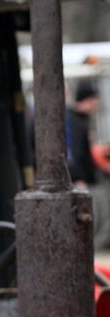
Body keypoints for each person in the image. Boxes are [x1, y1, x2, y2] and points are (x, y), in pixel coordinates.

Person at [66, 79, 110, 248]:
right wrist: (78, 179)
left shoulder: (81, 120)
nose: (97, 105)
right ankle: (93, 245)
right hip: (81, 181)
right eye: (95, 100)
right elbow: (75, 153)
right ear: (89, 100)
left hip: (86, 179)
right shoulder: (74, 121)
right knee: (98, 210)